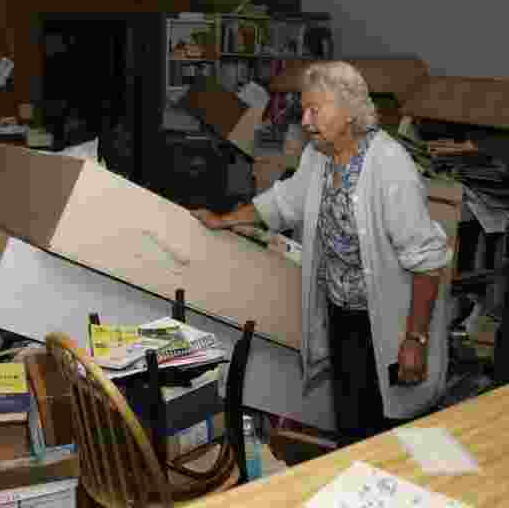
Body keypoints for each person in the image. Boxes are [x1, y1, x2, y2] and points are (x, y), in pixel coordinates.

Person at [192, 61, 451, 445]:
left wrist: (415, 339)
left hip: (390, 321)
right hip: (341, 313)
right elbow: (285, 202)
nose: (307, 121)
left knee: (388, 425)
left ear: (348, 112)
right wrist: (224, 219)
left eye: (316, 110)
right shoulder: (319, 155)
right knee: (351, 417)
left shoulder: (389, 165)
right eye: (304, 110)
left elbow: (428, 262)